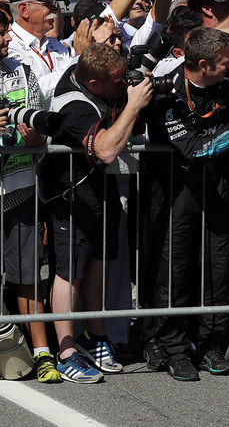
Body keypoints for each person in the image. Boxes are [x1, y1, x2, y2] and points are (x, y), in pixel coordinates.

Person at [145, 27, 229, 382]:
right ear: (202, 65)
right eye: (223, 62)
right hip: (174, 193)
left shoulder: (227, 81)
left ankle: (210, 343)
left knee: (218, 269)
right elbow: (196, 148)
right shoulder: (166, 92)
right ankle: (173, 347)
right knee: (175, 272)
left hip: (218, 188)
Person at [41, 44, 152, 383]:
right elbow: (103, 149)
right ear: (92, 84)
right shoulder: (71, 104)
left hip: (101, 188)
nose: (123, 86)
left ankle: (96, 335)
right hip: (70, 191)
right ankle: (67, 350)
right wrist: (133, 105)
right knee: (70, 268)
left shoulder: (97, 79)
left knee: (100, 262)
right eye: (117, 83)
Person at [0, 14, 60, 383]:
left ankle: (41, 352)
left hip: (20, 185)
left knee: (26, 274)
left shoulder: (20, 70)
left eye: (7, 28)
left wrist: (34, 137)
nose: (7, 35)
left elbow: (40, 130)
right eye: (1, 30)